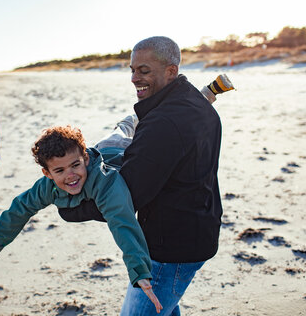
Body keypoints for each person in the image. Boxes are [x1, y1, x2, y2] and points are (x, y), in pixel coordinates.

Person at [58, 36, 224, 315]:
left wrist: (71, 207)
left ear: (171, 71)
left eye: (144, 70)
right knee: (166, 309)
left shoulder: (165, 122)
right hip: (197, 228)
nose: (135, 78)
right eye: (132, 70)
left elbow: (126, 195)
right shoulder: (194, 103)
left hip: (170, 248)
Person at [0, 125, 163, 313]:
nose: (70, 176)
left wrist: (139, 270)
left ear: (85, 159)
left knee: (122, 132)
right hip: (98, 149)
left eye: (75, 165)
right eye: (59, 171)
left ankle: (135, 117)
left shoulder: (105, 181)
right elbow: (20, 208)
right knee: (115, 133)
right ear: (47, 173)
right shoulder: (47, 187)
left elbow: (122, 221)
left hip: (119, 150)